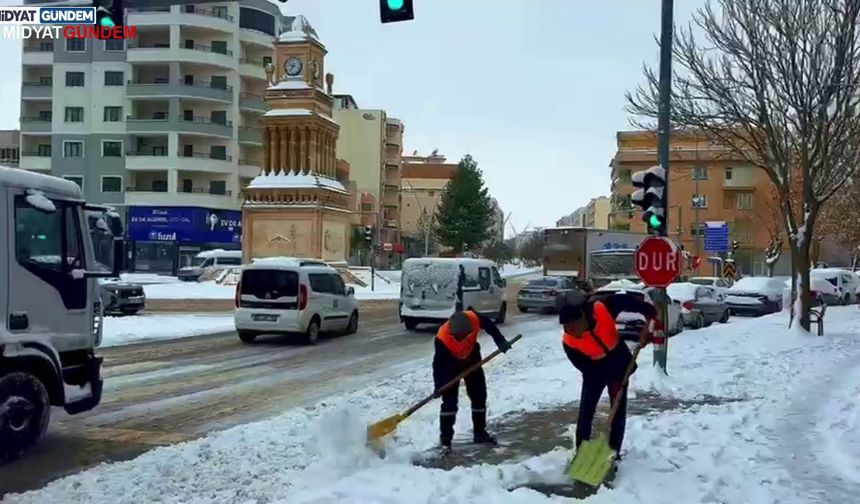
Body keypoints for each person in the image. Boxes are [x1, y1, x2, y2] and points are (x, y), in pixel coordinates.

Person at [559, 291, 660, 459]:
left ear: (582, 318)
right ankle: (581, 452)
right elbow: (584, 367)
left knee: (618, 410)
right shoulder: (569, 341)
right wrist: (603, 375)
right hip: (594, 372)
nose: (572, 332)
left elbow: (624, 301)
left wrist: (649, 312)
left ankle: (614, 451)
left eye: (574, 327)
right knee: (586, 411)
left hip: (619, 363)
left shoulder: (601, 309)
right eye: (567, 328)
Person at [434, 309, 512, 451]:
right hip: (450, 364)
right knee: (449, 403)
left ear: (467, 332)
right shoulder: (442, 337)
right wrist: (439, 385)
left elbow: (489, 325)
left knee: (479, 396)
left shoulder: (474, 319)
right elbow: (438, 363)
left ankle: (480, 433)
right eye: (456, 336)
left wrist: (500, 340)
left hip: (472, 359)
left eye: (460, 336)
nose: (457, 338)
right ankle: (446, 440)